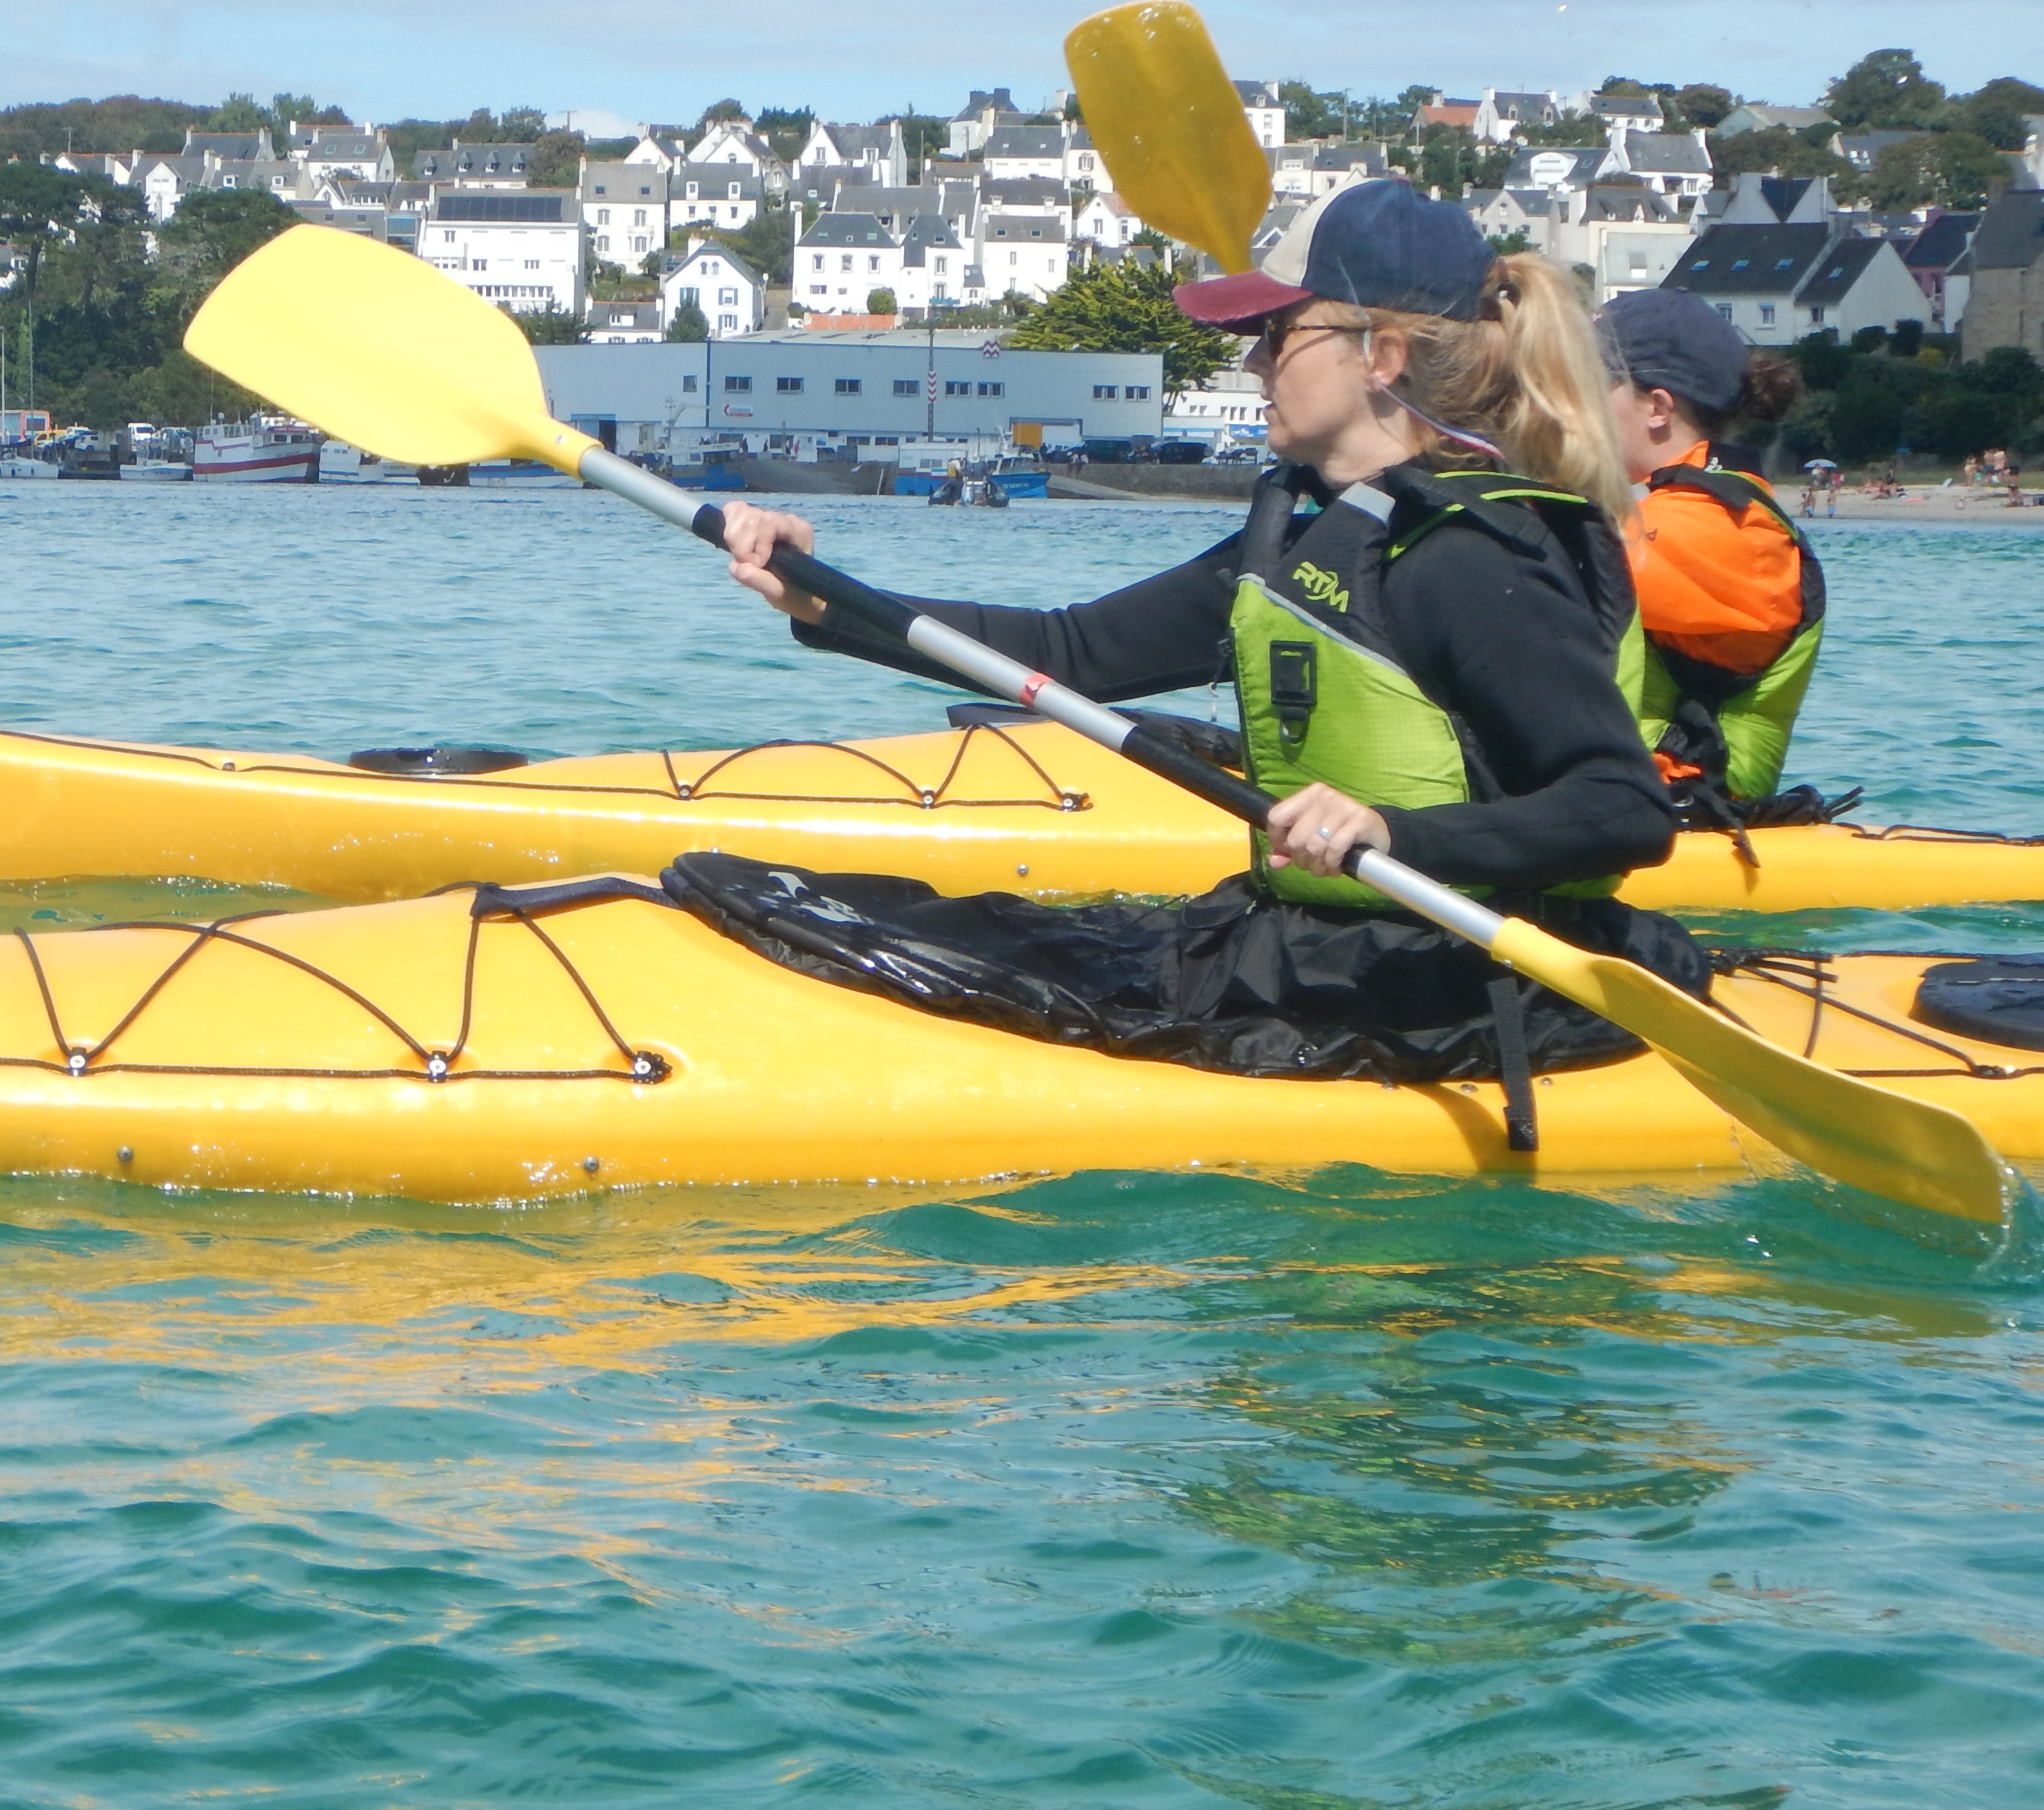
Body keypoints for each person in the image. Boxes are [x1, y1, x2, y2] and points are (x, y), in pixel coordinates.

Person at [702, 179, 1693, 1148]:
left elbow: (1622, 809)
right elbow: (1071, 650)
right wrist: (822, 595)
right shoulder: (1310, 534)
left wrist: (1394, 831)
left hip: (1439, 986)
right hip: (1310, 944)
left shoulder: (1473, 560)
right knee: (854, 911)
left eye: (1277, 335)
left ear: (1379, 356)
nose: (1252, 363)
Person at [1598, 289, 1832, 846]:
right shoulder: (1689, 508)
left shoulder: (1734, 528)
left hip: (1688, 808)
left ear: (1658, 407)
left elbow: (1555, 568)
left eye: (1590, 386)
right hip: (1638, 800)